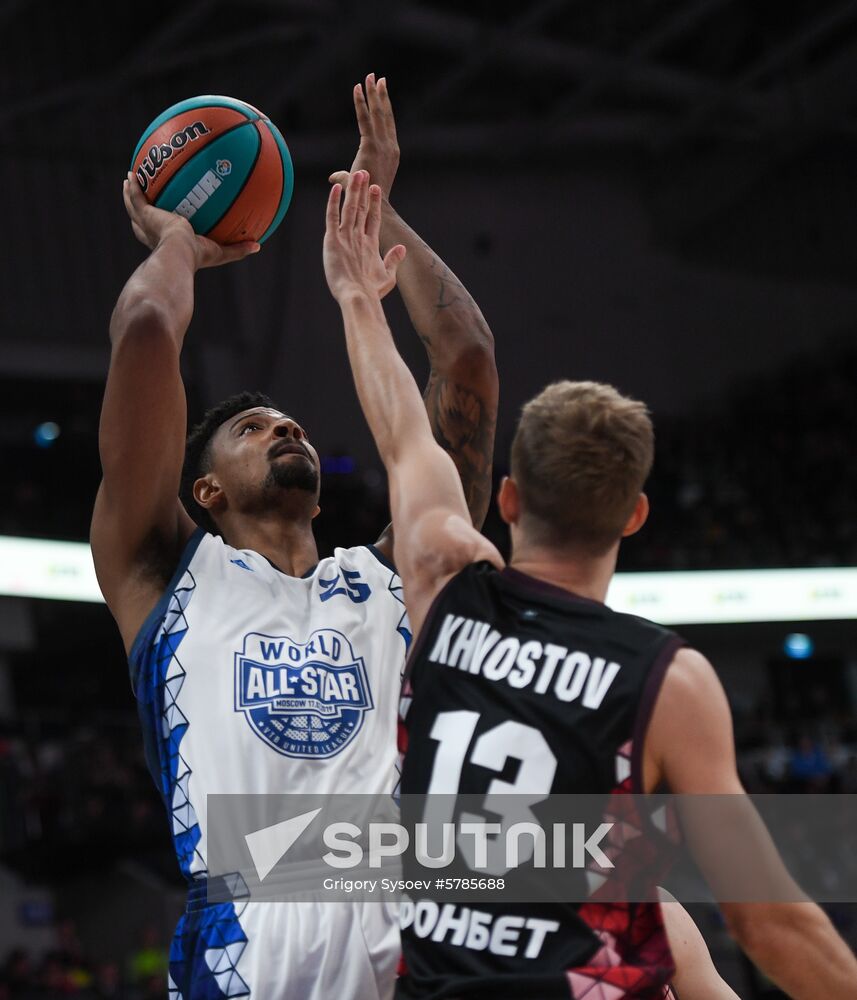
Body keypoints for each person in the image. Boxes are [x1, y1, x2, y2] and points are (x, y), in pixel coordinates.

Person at [322, 170, 857, 999]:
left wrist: (358, 295)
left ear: (505, 499)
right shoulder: (667, 680)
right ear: (634, 515)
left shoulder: (441, 579)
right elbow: (769, 922)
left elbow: (403, 435)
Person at [91, 76, 497, 1000]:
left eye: (292, 427)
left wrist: (374, 214)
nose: (286, 431)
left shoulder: (393, 576)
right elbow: (148, 326)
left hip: (409, 912)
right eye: (252, 429)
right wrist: (178, 245)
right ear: (202, 491)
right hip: (249, 929)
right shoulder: (164, 573)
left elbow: (465, 353)